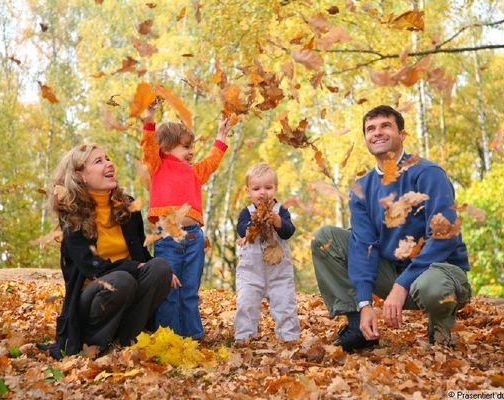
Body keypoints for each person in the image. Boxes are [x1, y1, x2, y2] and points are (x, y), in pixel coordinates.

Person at [311, 105, 471, 352]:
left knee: (433, 287)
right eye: (370, 129)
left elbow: (444, 236)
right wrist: (365, 303)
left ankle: (440, 333)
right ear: (365, 138)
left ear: (402, 134)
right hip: (391, 273)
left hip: (438, 273)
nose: (377, 133)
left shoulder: (428, 174)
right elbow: (364, 246)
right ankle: (358, 327)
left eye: (385, 126)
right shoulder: (362, 189)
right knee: (326, 238)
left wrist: (402, 284)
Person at [42, 144, 172, 359]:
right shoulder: (72, 214)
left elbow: (140, 254)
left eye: (108, 158)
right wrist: (134, 267)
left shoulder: (127, 205)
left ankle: (127, 341)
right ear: (80, 175)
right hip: (92, 297)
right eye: (98, 161)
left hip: (127, 284)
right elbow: (93, 267)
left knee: (160, 267)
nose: (109, 163)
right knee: (119, 280)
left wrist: (157, 271)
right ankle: (94, 345)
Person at [141, 106, 230, 339]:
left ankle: (192, 336)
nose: (191, 151)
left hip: (193, 237)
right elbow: (148, 146)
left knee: (189, 290)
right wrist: (149, 120)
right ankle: (168, 336)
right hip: (168, 237)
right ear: (167, 146)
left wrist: (220, 136)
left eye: (192, 147)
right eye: (186, 146)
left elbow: (212, 161)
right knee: (170, 289)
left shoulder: (194, 172)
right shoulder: (158, 166)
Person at [234, 162, 301, 342]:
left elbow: (288, 231)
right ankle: (244, 337)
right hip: (251, 273)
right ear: (248, 191)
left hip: (279, 273)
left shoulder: (281, 211)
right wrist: (252, 225)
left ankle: (289, 337)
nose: (262, 192)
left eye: (268, 187)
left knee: (285, 304)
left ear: (275, 189)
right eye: (256, 188)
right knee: (245, 304)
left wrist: (278, 222)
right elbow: (241, 230)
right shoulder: (246, 213)